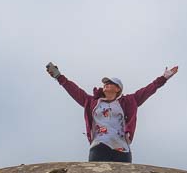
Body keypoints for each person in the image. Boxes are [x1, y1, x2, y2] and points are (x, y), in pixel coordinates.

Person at [45, 62, 179, 162]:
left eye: (110, 82)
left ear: (118, 88)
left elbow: (149, 89)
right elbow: (74, 90)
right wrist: (59, 77)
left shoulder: (128, 101)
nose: (106, 84)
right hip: (99, 146)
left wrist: (163, 78)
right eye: (105, 83)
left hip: (121, 148)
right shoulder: (92, 102)